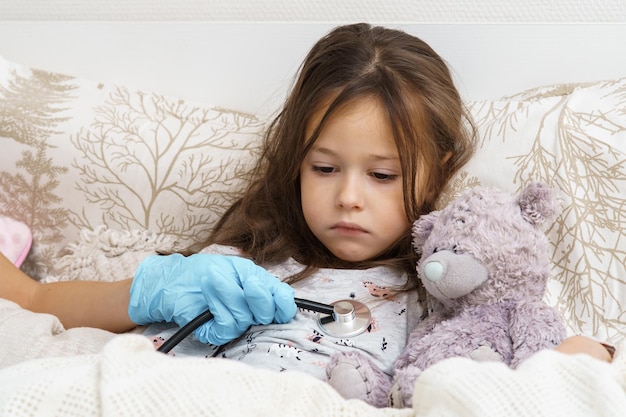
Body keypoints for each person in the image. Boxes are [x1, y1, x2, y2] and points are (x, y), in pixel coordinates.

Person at [0, 22, 613, 396]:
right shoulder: (239, 263)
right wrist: (152, 291)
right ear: (295, 159)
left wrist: (582, 357)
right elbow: (31, 302)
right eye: (323, 168)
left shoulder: (444, 295)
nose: (349, 196)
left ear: (441, 170)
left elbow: (532, 356)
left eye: (382, 175)